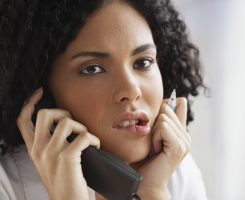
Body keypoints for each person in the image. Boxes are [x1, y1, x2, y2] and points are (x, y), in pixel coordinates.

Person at [0, 0, 208, 199]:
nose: (131, 90)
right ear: (41, 94)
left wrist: (152, 193)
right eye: (93, 69)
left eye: (143, 62)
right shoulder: (6, 185)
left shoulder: (177, 172)